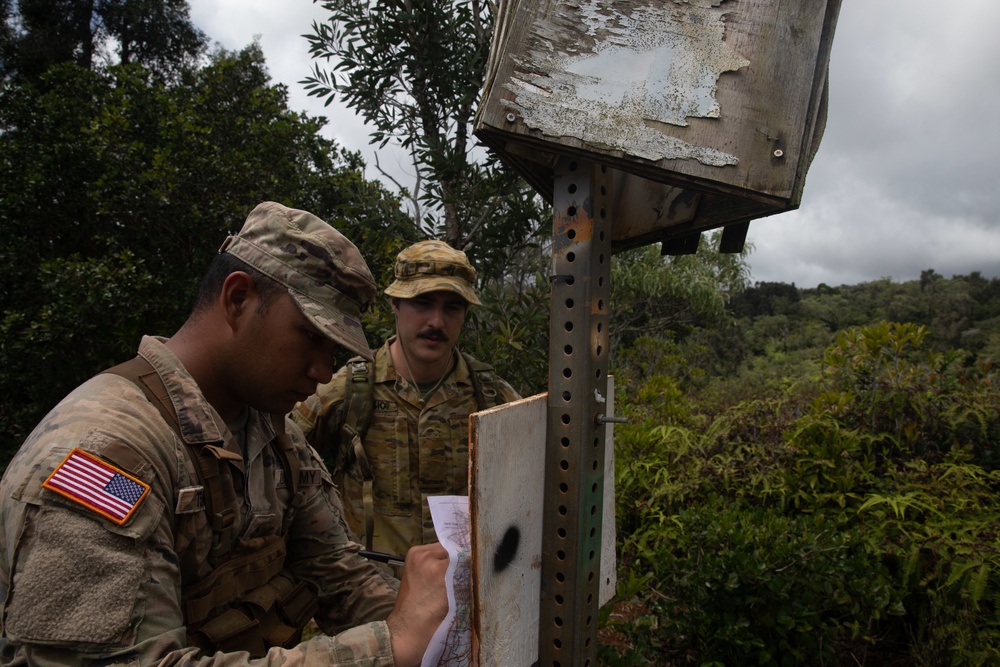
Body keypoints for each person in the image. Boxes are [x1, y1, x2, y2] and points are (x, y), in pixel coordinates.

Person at [0, 202, 448, 666]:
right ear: (237, 299)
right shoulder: (105, 458)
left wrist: (442, 632)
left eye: (333, 350)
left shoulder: (273, 435)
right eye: (311, 336)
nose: (322, 370)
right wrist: (389, 648)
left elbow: (337, 572)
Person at [292, 240, 520, 559]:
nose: (437, 322)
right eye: (422, 303)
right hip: (371, 584)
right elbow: (280, 464)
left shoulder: (492, 397)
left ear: (465, 312)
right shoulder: (350, 388)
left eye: (452, 307)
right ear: (395, 303)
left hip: (464, 583)